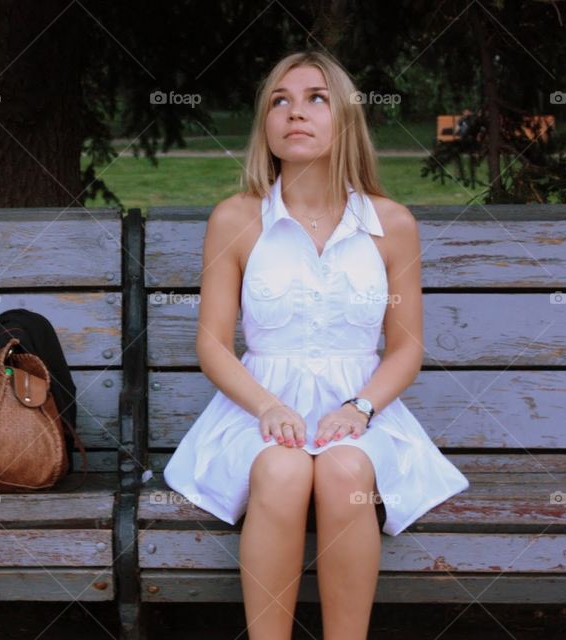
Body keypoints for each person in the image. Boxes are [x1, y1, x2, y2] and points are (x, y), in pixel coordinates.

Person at [162, 50, 470, 639]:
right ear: (265, 125)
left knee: (344, 471)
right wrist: (268, 408)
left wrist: (360, 409)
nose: (294, 112)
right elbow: (212, 343)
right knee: (279, 471)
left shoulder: (391, 224)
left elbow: (405, 348)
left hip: (360, 410)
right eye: (280, 100)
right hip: (256, 411)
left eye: (315, 99)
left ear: (346, 120)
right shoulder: (236, 219)